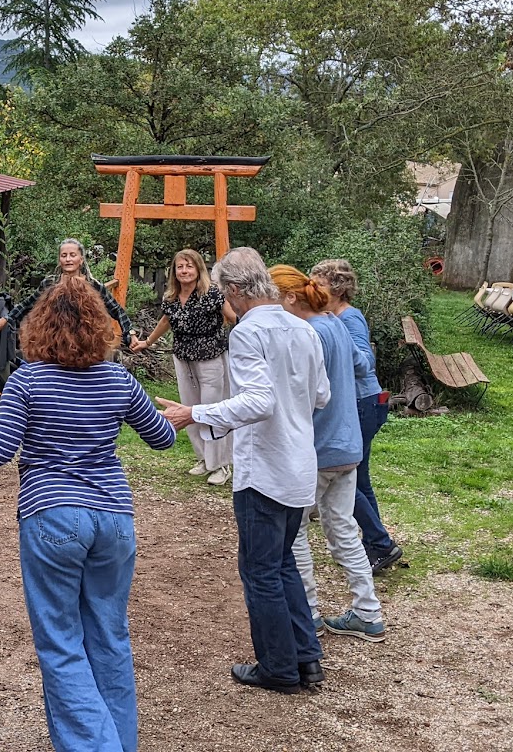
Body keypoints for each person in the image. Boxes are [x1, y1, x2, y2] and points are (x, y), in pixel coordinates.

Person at [0, 276, 175, 752]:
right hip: (114, 517)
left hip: (51, 512)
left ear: (38, 329)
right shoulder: (118, 379)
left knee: (60, 641)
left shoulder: (27, 380)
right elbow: (163, 438)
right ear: (100, 326)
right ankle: (117, 740)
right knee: (109, 634)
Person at [156, 247, 329, 694]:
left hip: (266, 469)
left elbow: (259, 401)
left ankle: (277, 667)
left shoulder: (249, 332)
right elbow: (321, 395)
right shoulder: (303, 328)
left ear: (233, 290)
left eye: (223, 293)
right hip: (299, 463)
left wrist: (196, 412)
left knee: (260, 571)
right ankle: (305, 658)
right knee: (282, 562)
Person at [273, 265, 386, 644]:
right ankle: (369, 613)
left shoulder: (309, 331)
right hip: (348, 443)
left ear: (290, 298)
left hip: (319, 447)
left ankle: (309, 612)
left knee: (296, 532)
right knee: (343, 531)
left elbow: (302, 393)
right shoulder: (336, 322)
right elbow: (360, 364)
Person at [312, 259, 403, 574]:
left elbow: (365, 362)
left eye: (318, 285)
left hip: (364, 403)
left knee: (349, 478)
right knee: (358, 478)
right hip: (358, 403)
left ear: (336, 289)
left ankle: (381, 543)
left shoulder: (349, 319)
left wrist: (335, 348)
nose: (312, 290)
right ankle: (374, 542)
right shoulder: (332, 316)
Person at [131, 249, 236, 485]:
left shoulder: (213, 294)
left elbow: (232, 318)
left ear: (198, 269)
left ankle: (220, 464)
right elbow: (166, 321)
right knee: (189, 409)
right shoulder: (171, 298)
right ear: (174, 271)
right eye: (180, 267)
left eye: (189, 266)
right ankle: (203, 459)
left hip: (210, 358)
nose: (184, 271)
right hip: (183, 359)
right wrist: (148, 342)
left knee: (212, 410)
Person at [0, 238, 137, 351]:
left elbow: (117, 310)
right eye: (64, 255)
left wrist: (130, 333)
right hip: (53, 342)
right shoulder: (49, 283)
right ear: (60, 260)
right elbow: (27, 305)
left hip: (85, 344)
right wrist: (6, 319)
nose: (68, 259)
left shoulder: (93, 286)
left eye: (72, 255)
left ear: (81, 260)